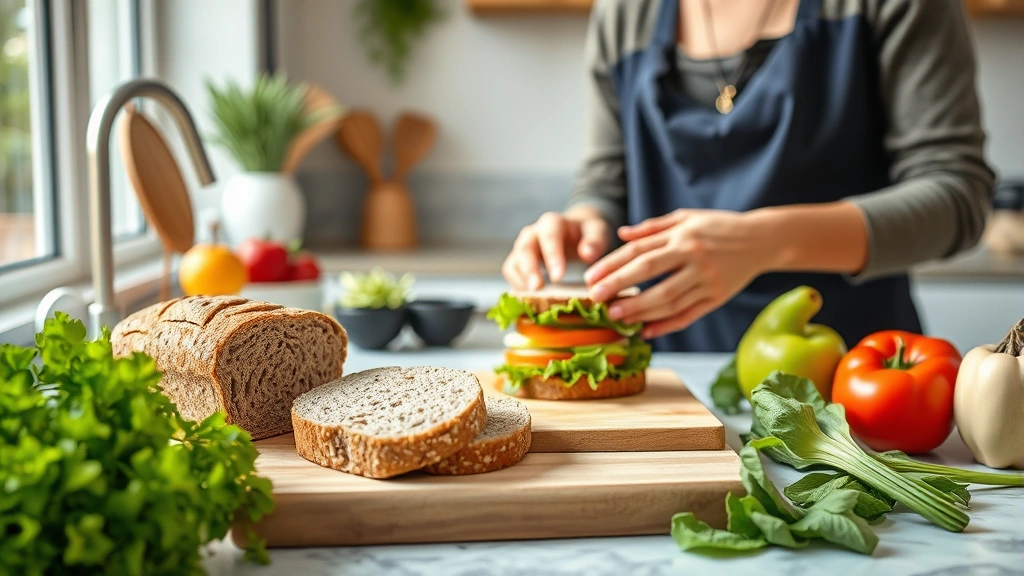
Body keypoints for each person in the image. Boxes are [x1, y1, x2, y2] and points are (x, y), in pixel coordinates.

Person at [501, 0, 994, 352]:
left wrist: (765, 241)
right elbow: (608, 179)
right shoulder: (625, 13)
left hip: (856, 381)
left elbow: (956, 196)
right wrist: (585, 220)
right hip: (668, 380)